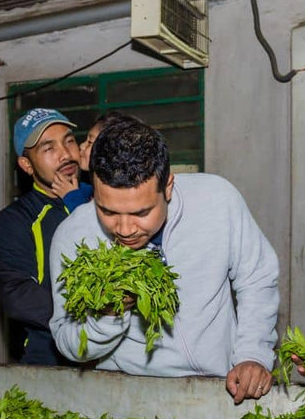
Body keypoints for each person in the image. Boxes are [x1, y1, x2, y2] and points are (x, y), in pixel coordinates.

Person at [48, 115, 280, 402]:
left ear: (167, 186)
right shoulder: (73, 236)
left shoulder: (217, 200)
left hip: (222, 388)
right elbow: (68, 341)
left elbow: (257, 279)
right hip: (130, 396)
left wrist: (252, 354)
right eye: (108, 212)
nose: (125, 229)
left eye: (141, 213)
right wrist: (108, 315)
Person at [0, 108, 84, 364]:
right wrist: (96, 313)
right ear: (27, 165)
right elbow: (19, 296)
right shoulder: (16, 220)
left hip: (114, 358)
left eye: (69, 141)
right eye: (49, 148)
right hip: (50, 361)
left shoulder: (103, 200)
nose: (66, 155)